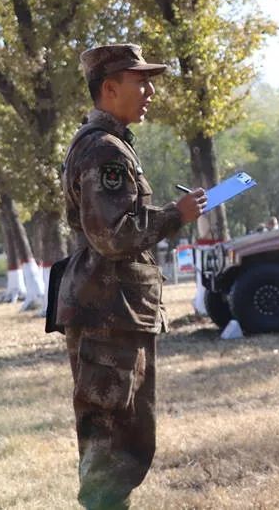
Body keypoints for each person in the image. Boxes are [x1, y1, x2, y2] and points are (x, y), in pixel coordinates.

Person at [58, 43, 208, 509]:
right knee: (110, 441)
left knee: (124, 438)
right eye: (139, 81)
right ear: (109, 88)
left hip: (116, 310)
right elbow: (111, 236)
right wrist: (174, 215)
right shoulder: (104, 151)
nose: (149, 92)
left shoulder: (110, 145)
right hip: (108, 312)